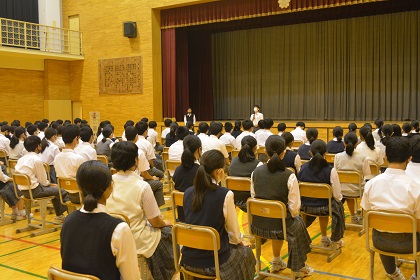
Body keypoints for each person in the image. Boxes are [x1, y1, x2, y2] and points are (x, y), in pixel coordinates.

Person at [182, 150, 256, 279]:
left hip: (188, 259)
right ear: (219, 171)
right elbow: (233, 233)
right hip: (213, 261)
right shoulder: (225, 194)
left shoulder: (188, 192)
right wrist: (240, 241)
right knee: (246, 253)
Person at [106, 142, 176, 280]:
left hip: (110, 236)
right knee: (170, 232)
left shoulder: (107, 182)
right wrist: (164, 222)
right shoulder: (142, 186)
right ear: (135, 161)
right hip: (135, 238)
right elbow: (155, 222)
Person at [60, 160, 139, 280]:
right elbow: (131, 278)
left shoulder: (68, 220)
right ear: (110, 187)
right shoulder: (119, 229)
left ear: (80, 188)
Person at [251, 135, 313, 276]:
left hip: (258, 225)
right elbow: (295, 209)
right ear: (284, 153)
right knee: (298, 223)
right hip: (281, 226)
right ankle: (299, 268)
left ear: (265, 152)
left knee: (281, 219)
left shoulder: (255, 173)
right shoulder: (289, 176)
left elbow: (254, 198)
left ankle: (277, 261)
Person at [361, 137, 420, 280]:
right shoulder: (414, 188)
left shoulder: (371, 184)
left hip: (378, 241)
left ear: (385, 156)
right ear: (409, 158)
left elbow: (366, 216)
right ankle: (417, 275)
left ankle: (392, 272)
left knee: (382, 225)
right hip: (409, 244)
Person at [298, 139, 345, 248]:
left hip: (305, 207)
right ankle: (336, 239)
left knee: (326, 202)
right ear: (326, 153)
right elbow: (337, 196)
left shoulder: (302, 168)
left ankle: (324, 237)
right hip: (325, 207)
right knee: (337, 205)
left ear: (310, 152)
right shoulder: (330, 170)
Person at [15, 136, 68, 224]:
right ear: (38, 146)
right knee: (61, 191)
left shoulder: (21, 159)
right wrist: (50, 184)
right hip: (35, 191)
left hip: (23, 191)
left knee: (54, 191)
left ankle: (60, 216)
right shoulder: (36, 160)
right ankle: (64, 216)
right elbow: (44, 181)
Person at [334, 133, 370, 225]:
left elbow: (335, 173)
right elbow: (367, 174)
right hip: (357, 190)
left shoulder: (337, 156)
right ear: (356, 143)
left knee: (348, 190)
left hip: (341, 190)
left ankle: (353, 216)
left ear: (344, 143)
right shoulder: (362, 157)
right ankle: (360, 216)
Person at [125, 126, 165, 207]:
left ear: (125, 136)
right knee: (158, 184)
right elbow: (144, 173)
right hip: (136, 181)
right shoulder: (138, 152)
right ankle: (156, 211)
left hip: (122, 180)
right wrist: (152, 178)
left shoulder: (119, 148)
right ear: (136, 137)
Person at [172, 135, 202, 222]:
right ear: (199, 149)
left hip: (182, 218)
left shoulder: (178, 170)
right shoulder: (200, 171)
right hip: (198, 219)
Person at [229, 136, 262, 212]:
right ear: (255, 148)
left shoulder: (233, 161)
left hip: (233, 199)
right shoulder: (258, 164)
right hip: (250, 201)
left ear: (241, 147)